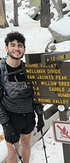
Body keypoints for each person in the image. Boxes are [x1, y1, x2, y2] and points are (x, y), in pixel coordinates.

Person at [0, 32, 45, 163]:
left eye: (20, 45)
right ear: (6, 48)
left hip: (28, 116)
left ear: (24, 49)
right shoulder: (1, 70)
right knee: (12, 153)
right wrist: (6, 124)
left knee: (26, 143)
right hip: (11, 117)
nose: (17, 48)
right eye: (12, 45)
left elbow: (36, 94)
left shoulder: (28, 70)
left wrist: (40, 115)